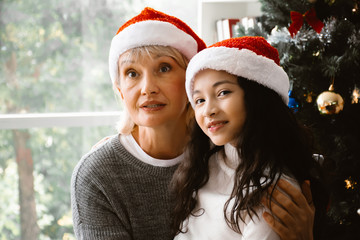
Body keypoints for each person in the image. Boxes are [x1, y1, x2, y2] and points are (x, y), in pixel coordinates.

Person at [71, 7, 315, 240]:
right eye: (132, 73)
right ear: (120, 90)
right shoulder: (97, 174)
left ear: (191, 80)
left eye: (164, 68)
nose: (147, 88)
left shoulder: (229, 148)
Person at [171, 36, 323, 239]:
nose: (208, 110)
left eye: (223, 92)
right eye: (199, 100)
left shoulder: (273, 190)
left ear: (256, 96)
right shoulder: (203, 165)